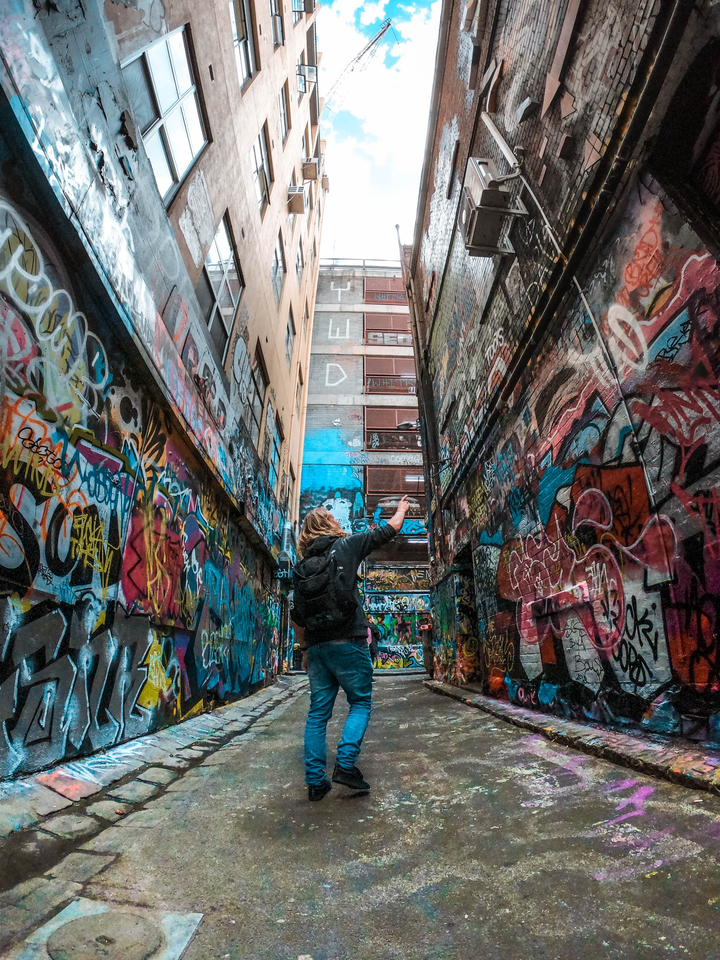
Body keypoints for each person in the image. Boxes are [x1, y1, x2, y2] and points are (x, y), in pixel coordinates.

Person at [292, 496, 411, 801]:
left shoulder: (300, 567)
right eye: (333, 517)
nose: (337, 520)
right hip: (348, 641)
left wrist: (304, 650)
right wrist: (401, 509)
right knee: (360, 702)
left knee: (318, 714)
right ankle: (345, 765)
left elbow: (297, 616)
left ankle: (315, 782)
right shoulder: (345, 546)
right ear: (328, 524)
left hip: (317, 648)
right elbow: (389, 530)